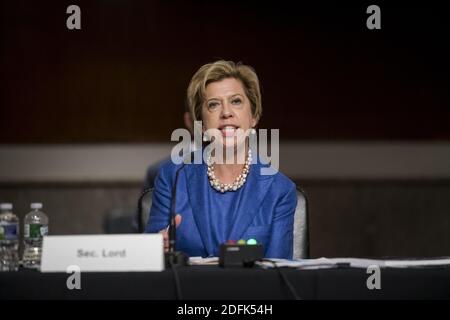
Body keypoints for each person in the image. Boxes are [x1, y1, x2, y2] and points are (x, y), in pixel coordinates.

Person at [145, 60, 297, 259]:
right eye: (214, 104)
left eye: (236, 101)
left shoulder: (280, 190)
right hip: (187, 289)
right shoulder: (173, 176)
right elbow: (148, 257)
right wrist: (157, 248)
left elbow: (280, 274)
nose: (226, 112)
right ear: (202, 123)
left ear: (254, 115)